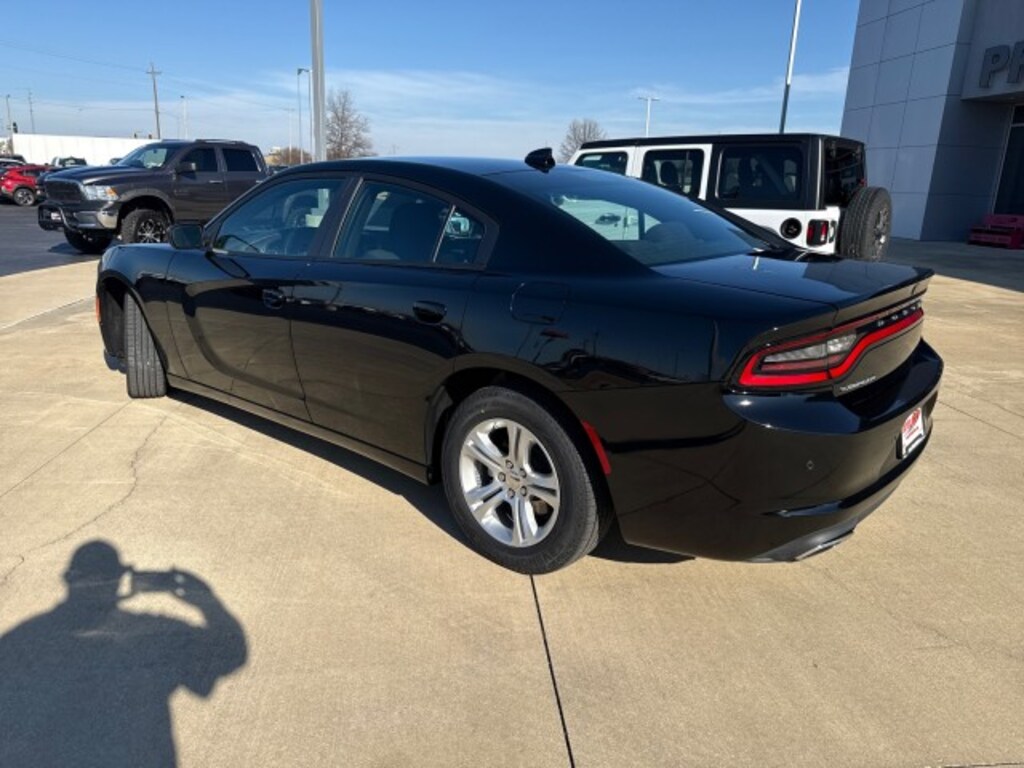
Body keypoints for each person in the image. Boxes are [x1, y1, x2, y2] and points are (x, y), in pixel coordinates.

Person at [0, 540, 247, 767]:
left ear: (68, 581)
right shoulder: (151, 636)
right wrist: (207, 602)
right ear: (121, 580)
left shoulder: (22, 642)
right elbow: (231, 653)